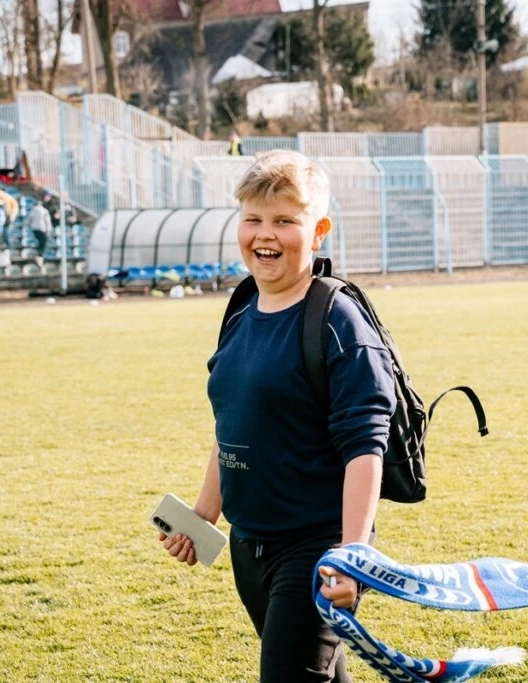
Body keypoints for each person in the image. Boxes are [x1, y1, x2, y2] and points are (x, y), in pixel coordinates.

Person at [158, 149, 396, 682]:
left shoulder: (338, 320)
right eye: (254, 219)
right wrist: (203, 514)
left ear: (319, 232)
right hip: (249, 548)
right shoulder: (242, 309)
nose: (265, 234)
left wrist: (352, 555)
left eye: (285, 220)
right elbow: (233, 423)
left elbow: (365, 448)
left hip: (316, 549)